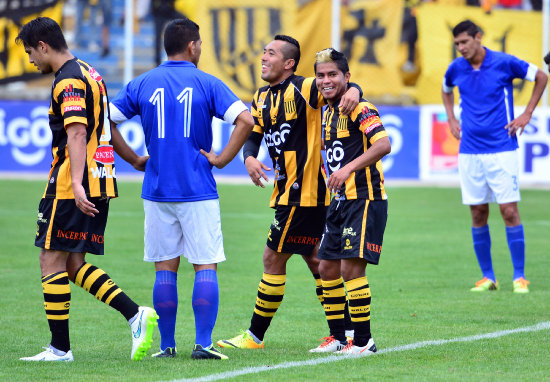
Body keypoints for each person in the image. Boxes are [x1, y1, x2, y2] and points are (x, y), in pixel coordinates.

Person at [109, 18, 254, 360]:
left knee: (164, 268)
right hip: (198, 190)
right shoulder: (207, 82)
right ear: (192, 46)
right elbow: (245, 120)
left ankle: (166, 346)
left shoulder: (142, 82)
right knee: (204, 265)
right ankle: (202, 344)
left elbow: (107, 119)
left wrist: (133, 159)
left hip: (157, 190)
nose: (201, 48)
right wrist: (221, 159)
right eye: (200, 43)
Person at [16, 17, 158, 362]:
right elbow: (106, 124)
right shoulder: (91, 73)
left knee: (50, 257)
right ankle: (134, 314)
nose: (30, 59)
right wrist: (134, 159)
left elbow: (78, 132)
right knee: (73, 263)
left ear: (43, 46)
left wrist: (76, 183)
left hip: (72, 182)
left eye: (30, 51)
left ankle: (60, 349)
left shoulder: (67, 81)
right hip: (100, 177)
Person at [217, 35, 361, 350]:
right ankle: (347, 334)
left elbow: (340, 86)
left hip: (303, 195)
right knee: (316, 261)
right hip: (294, 193)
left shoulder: (305, 87)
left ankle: (254, 337)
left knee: (272, 258)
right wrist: (249, 157)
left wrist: (355, 90)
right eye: (263, 53)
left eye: (270, 53)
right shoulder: (260, 97)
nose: (263, 58)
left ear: (289, 63)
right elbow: (253, 133)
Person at [441, 20, 547, 293]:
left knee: (509, 211)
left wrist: (527, 113)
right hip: (469, 151)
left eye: (464, 42)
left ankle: (519, 276)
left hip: (502, 148)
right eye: (457, 44)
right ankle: (488, 277)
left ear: (478, 37)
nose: (461, 48)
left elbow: (542, 76)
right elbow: (445, 88)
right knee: (478, 212)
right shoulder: (456, 68)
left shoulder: (504, 62)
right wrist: (451, 118)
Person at [308, 48, 390, 355]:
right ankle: (339, 337)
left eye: (333, 75)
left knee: (351, 270)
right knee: (326, 267)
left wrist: (347, 168)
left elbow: (383, 144)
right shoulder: (327, 110)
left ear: (347, 77)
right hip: (339, 202)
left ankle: (364, 341)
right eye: (321, 75)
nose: (326, 81)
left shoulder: (360, 107)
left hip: (365, 199)